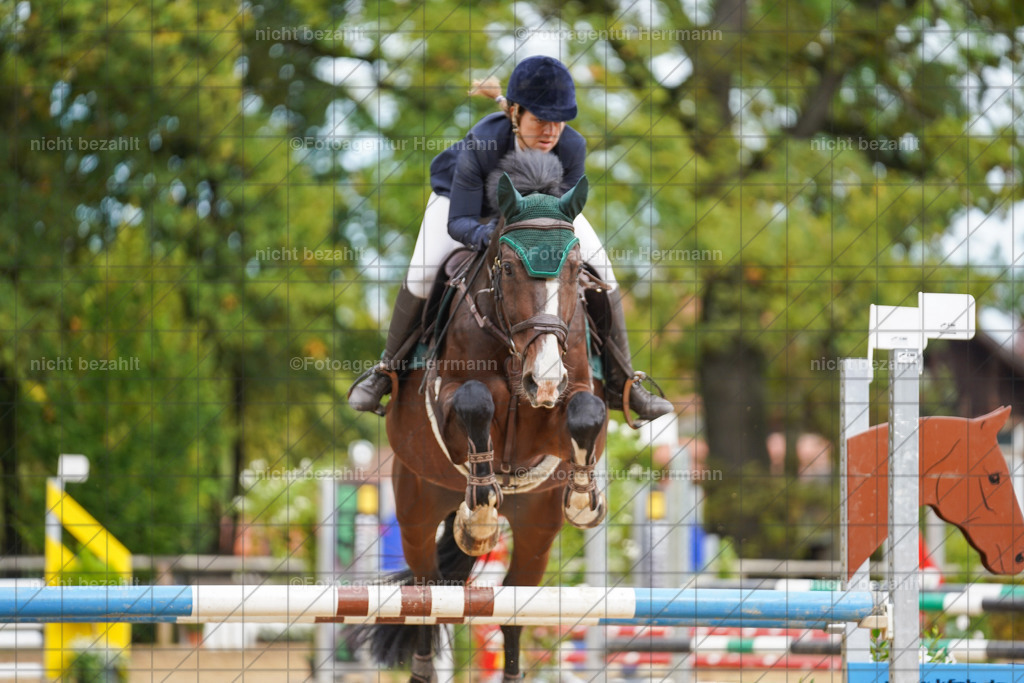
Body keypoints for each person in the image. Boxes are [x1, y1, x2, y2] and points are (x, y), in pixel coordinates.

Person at [348, 55, 672, 424]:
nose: (551, 132)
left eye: (559, 122)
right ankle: (386, 371)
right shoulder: (483, 142)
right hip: (465, 208)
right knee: (423, 272)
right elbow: (459, 222)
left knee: (604, 272)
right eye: (541, 121)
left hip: (536, 217)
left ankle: (624, 382)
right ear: (516, 114)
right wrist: (491, 236)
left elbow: (560, 216)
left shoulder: (572, 147)